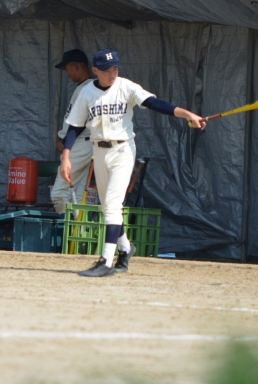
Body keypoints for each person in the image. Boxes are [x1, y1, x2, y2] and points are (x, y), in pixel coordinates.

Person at [60, 49, 206, 277]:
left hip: (122, 150)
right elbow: (75, 127)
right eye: (107, 70)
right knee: (107, 207)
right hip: (98, 150)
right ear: (95, 70)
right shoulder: (87, 92)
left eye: (115, 68)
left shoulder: (125, 86)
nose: (112, 74)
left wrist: (187, 114)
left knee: (112, 205)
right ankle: (126, 248)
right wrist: (66, 157)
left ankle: (106, 262)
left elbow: (154, 103)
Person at [51, 49, 95, 214]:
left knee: (59, 193)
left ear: (76, 66)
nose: (67, 73)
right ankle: (77, 230)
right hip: (85, 144)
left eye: (68, 69)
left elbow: (81, 121)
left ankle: (65, 228)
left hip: (80, 144)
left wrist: (65, 143)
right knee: (78, 196)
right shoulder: (88, 87)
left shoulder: (86, 88)